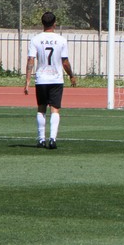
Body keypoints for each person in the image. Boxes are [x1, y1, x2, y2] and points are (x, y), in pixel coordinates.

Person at [24, 12, 77, 149]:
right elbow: (65, 62)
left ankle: (41, 139)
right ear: (54, 23)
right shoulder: (61, 40)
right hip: (56, 79)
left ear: (42, 23)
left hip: (41, 79)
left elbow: (31, 60)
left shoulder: (35, 39)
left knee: (41, 108)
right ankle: (52, 139)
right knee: (55, 109)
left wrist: (27, 81)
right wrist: (71, 75)